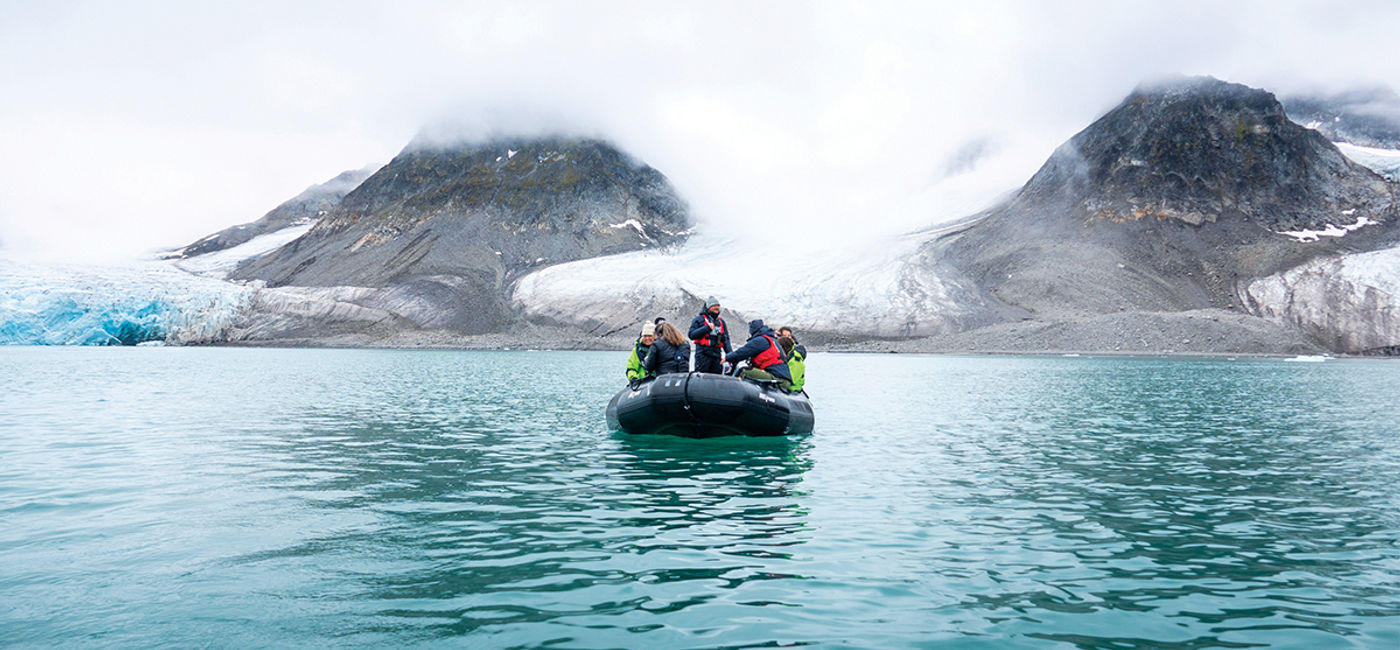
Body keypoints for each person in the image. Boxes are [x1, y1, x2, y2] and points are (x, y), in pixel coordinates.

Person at [725, 319, 793, 392]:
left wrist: (726, 358)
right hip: (784, 378)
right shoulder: (772, 339)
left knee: (744, 371)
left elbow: (742, 352)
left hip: (778, 378)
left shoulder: (760, 340)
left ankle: (730, 391)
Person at [688, 296, 731, 374]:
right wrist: (706, 328)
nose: (717, 307)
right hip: (703, 355)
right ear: (708, 307)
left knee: (716, 380)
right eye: (714, 306)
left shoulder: (721, 322)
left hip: (717, 356)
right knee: (701, 379)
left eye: (718, 305)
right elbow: (691, 335)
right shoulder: (699, 319)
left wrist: (730, 356)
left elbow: (726, 341)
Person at [778, 326, 806, 392]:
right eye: (784, 335)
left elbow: (793, 378)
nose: (787, 337)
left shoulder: (795, 355)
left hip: (792, 387)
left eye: (789, 335)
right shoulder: (779, 349)